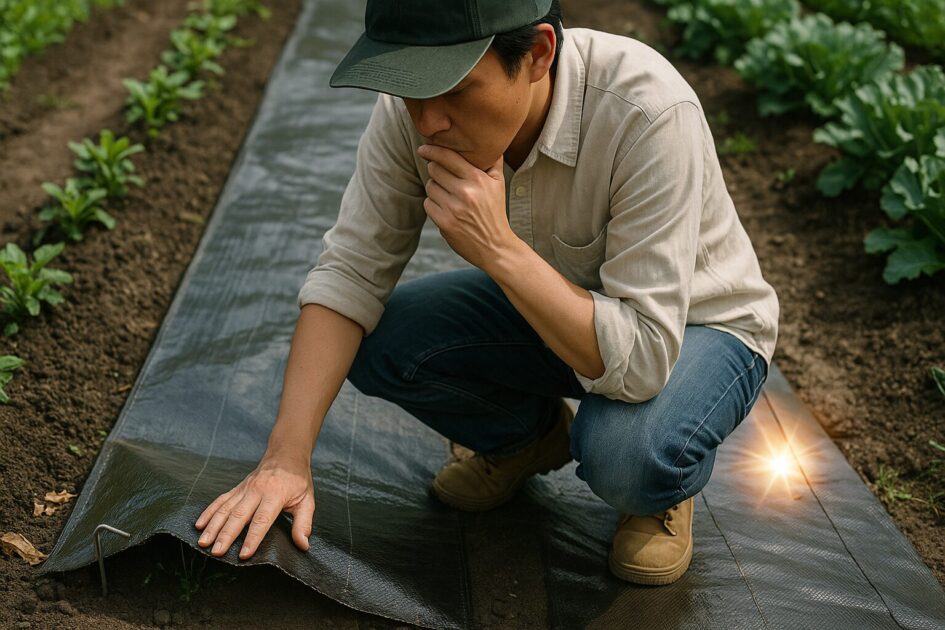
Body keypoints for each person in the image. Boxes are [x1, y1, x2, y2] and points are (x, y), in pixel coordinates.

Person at [194, 0, 779, 586]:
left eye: (454, 87)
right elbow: (351, 270)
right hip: (550, 304)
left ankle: (660, 491)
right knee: (384, 342)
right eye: (411, 88)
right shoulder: (413, 112)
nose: (427, 120)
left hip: (692, 328)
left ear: (538, 54)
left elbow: (647, 358)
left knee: (623, 453)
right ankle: (526, 439)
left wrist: (498, 249)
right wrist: (285, 459)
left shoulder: (646, 111)